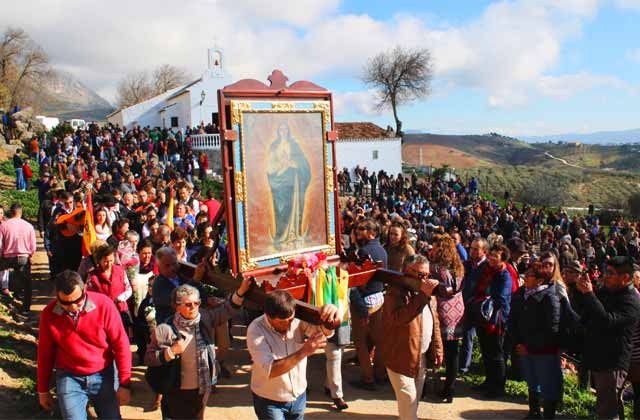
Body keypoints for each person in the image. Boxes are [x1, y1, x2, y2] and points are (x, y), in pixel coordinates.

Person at [145, 280, 250, 420]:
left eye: (197, 303)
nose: (193, 307)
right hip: (177, 390)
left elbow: (227, 310)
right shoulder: (165, 329)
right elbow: (149, 358)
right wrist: (171, 352)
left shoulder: (205, 318)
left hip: (203, 387)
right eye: (188, 304)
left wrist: (241, 292)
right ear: (177, 307)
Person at [37, 270, 132, 419]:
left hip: (104, 374)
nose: (73, 307)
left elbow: (121, 344)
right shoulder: (49, 315)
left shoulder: (104, 305)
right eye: (66, 303)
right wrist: (43, 390)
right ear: (57, 297)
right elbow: (45, 353)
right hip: (69, 377)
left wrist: (125, 383)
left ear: (85, 290)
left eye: (77, 300)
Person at [247, 290, 340, 420]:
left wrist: (330, 315)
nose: (287, 325)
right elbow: (271, 370)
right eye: (281, 322)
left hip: (299, 397)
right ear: (268, 315)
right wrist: (304, 351)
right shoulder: (255, 330)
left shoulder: (296, 320)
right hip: (269, 401)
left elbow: (324, 332)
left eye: (290, 320)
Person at [379, 254, 443, 420]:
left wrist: (437, 349)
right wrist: (423, 295)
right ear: (407, 271)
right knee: (409, 401)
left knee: (413, 404)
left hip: (419, 357)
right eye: (420, 275)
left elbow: (434, 322)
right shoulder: (394, 293)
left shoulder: (427, 293)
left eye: (427, 275)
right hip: (399, 357)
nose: (425, 279)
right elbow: (400, 318)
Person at [575, 256, 640, 419]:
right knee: (606, 406)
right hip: (600, 357)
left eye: (611, 273)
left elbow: (607, 321)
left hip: (613, 360)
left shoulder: (631, 300)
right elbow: (589, 314)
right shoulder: (606, 291)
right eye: (606, 271)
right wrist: (584, 293)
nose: (605, 276)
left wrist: (589, 294)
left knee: (608, 410)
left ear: (625, 277)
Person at [509, 263, 563, 419]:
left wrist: (530, 347)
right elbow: (513, 319)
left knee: (548, 385)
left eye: (530, 275)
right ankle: (534, 412)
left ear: (540, 280)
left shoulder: (549, 297)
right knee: (532, 381)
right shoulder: (522, 293)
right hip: (524, 347)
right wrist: (518, 343)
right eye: (526, 273)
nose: (525, 277)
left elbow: (551, 328)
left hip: (543, 350)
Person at [349, 218, 388, 390]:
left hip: (365, 300)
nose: (358, 231)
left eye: (362, 228)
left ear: (372, 232)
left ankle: (367, 378)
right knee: (378, 339)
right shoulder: (382, 250)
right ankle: (380, 373)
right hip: (378, 298)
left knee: (361, 341)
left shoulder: (364, 251)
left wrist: (359, 306)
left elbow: (357, 281)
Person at [471, 244, 512, 398]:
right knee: (486, 351)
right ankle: (489, 382)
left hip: (496, 318)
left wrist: (488, 300)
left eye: (496, 256)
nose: (491, 258)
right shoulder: (486, 271)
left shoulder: (504, 275)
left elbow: (502, 298)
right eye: (491, 255)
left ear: (503, 259)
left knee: (496, 353)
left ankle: (498, 387)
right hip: (483, 316)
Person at [430, 234, 465, 403]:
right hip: (457, 309)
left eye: (435, 246)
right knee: (453, 352)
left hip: (443, 309)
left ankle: (438, 385)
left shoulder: (437, 269)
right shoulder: (458, 267)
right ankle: (450, 388)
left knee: (440, 347)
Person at [266, 122, 311, 252]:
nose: (283, 131)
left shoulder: (294, 145)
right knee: (282, 209)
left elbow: (303, 162)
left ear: (288, 131)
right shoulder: (274, 146)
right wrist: (281, 165)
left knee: (294, 207)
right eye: (281, 129)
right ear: (278, 131)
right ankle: (281, 237)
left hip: (293, 180)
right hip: (280, 182)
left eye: (285, 129)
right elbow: (270, 168)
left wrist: (295, 163)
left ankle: (294, 234)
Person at [0, 204, 37, 315]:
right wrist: (30, 255)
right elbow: (33, 246)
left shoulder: (4, 226)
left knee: (15, 274)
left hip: (8, 257)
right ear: (20, 212)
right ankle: (26, 308)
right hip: (23, 257)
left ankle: (10, 293)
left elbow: (0, 245)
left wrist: (1, 255)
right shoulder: (29, 226)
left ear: (11, 213)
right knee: (27, 283)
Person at [87, 245, 133, 330]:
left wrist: (120, 298)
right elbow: (89, 296)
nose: (109, 264)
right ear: (99, 261)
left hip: (121, 309)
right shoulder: (93, 276)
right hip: (102, 313)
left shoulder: (120, 271)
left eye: (111, 261)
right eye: (105, 261)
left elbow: (128, 289)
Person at [460, 238, 488, 374]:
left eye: (476, 249)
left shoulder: (488, 267)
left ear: (484, 251)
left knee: (483, 339)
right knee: (467, 336)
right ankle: (463, 367)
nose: (472, 251)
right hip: (466, 304)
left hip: (481, 307)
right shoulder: (466, 265)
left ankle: (482, 367)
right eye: (471, 248)